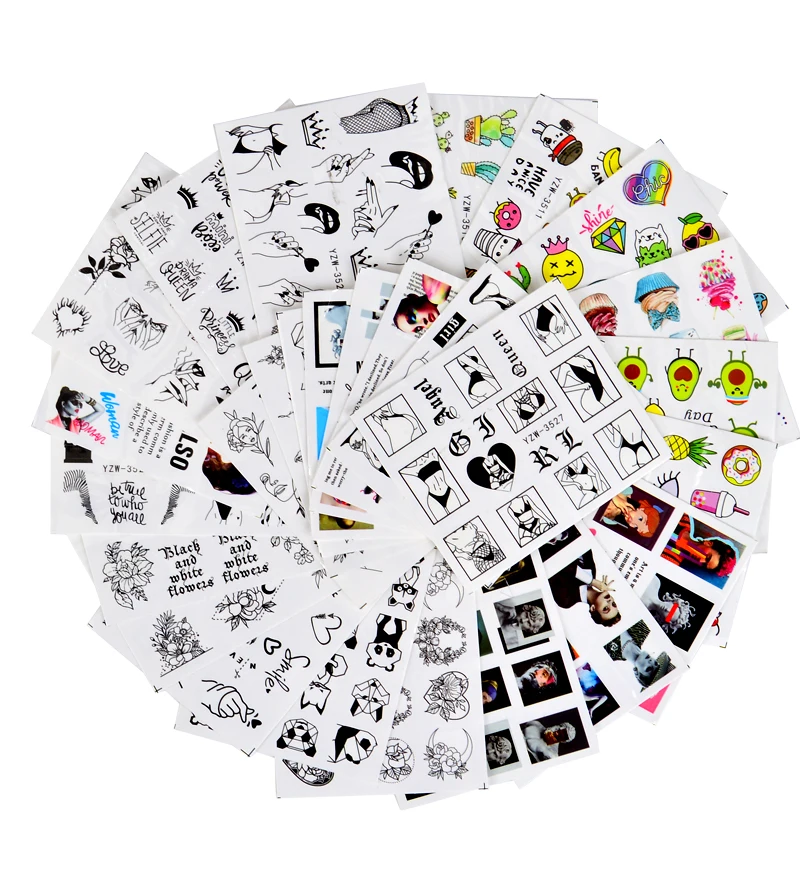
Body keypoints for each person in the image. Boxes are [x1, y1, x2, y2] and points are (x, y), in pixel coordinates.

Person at [549, 550, 621, 626]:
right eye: (613, 604)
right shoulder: (592, 573)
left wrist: (592, 581)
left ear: (593, 608)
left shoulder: (566, 600)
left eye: (605, 608)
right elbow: (583, 546)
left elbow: (555, 563)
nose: (609, 601)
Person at [664, 514, 738, 578]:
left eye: (704, 564)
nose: (700, 560)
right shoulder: (684, 518)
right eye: (708, 557)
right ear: (708, 543)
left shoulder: (671, 560)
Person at [605, 621, 674, 688]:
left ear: (638, 674)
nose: (651, 661)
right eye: (655, 663)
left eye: (649, 668)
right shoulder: (643, 629)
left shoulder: (609, 655)